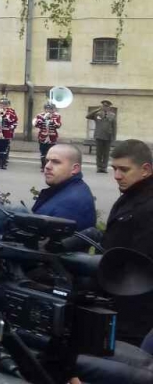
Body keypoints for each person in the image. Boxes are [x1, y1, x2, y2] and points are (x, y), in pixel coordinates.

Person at [103, 140, 153, 346]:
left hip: (134, 305)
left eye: (124, 169)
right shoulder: (133, 194)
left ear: (146, 170)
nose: (116, 176)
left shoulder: (148, 205)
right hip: (121, 295)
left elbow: (141, 262)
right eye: (114, 169)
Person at [32, 144, 96, 230]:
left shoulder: (72, 204)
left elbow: (44, 241)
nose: (47, 166)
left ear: (75, 169)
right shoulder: (65, 190)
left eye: (56, 162)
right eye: (47, 161)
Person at [87, 100, 117, 173]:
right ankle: (99, 167)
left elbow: (114, 127)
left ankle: (104, 168)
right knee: (99, 153)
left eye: (107, 106)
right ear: (102, 106)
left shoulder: (112, 115)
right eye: (104, 106)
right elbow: (87, 116)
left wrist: (113, 137)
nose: (105, 107)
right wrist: (97, 109)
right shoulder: (97, 114)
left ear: (109, 107)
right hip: (99, 136)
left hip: (108, 137)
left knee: (106, 154)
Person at [0, 97, 18, 170]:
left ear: (7, 105)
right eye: (1, 104)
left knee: (4, 149)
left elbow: (13, 121)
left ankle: (3, 164)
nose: (3, 106)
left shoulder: (11, 112)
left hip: (6, 132)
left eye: (5, 104)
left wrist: (5, 115)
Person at [35, 102, 62, 172]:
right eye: (47, 109)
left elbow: (58, 125)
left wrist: (52, 120)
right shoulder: (40, 115)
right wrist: (43, 119)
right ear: (45, 109)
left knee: (52, 153)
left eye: (51, 109)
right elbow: (37, 125)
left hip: (52, 136)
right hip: (42, 136)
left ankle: (50, 166)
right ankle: (43, 166)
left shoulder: (57, 116)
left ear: (54, 109)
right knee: (43, 152)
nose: (49, 110)